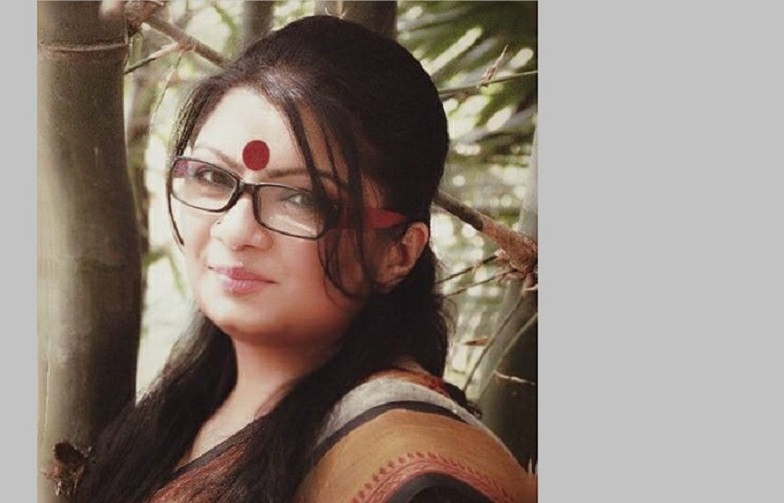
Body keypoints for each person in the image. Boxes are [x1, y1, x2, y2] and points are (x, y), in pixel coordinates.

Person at [74, 15, 537, 503]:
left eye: (302, 200)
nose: (235, 230)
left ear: (398, 253)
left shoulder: (416, 477)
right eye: (211, 176)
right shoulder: (188, 406)